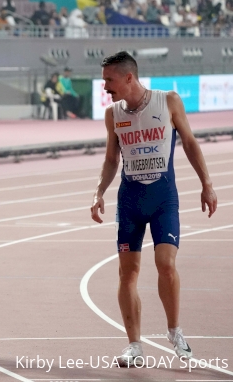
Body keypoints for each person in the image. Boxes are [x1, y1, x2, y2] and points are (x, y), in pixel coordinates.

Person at [90, 51, 217, 367]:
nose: (105, 86)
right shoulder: (113, 114)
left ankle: (175, 331)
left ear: (128, 77)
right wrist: (99, 192)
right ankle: (134, 345)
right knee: (128, 272)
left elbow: (189, 142)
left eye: (109, 79)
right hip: (130, 201)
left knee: (165, 264)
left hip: (163, 199)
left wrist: (207, 184)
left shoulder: (168, 101)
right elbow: (110, 159)